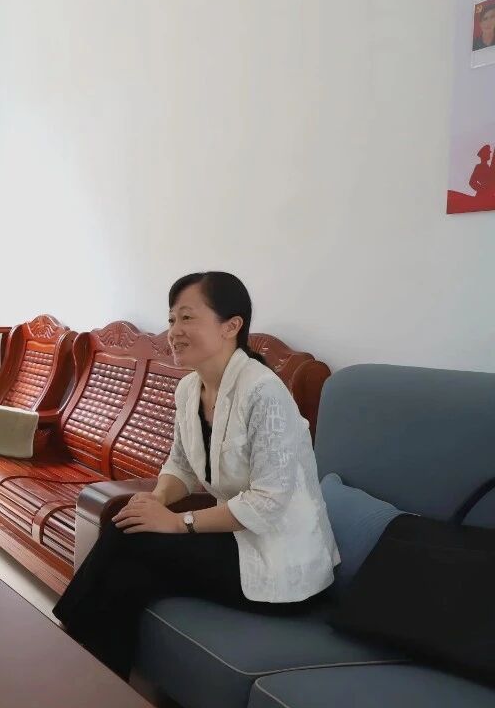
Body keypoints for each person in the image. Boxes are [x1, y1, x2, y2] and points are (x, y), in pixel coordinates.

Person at [52, 271, 338, 679]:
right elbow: (181, 466)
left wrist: (176, 522)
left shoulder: (264, 392)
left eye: (187, 318)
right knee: (129, 545)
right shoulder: (189, 390)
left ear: (231, 326)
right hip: (234, 538)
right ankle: (99, 681)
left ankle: (68, 654)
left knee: (129, 541)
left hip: (281, 562)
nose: (174, 331)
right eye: (171, 320)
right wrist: (156, 501)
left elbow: (267, 502)